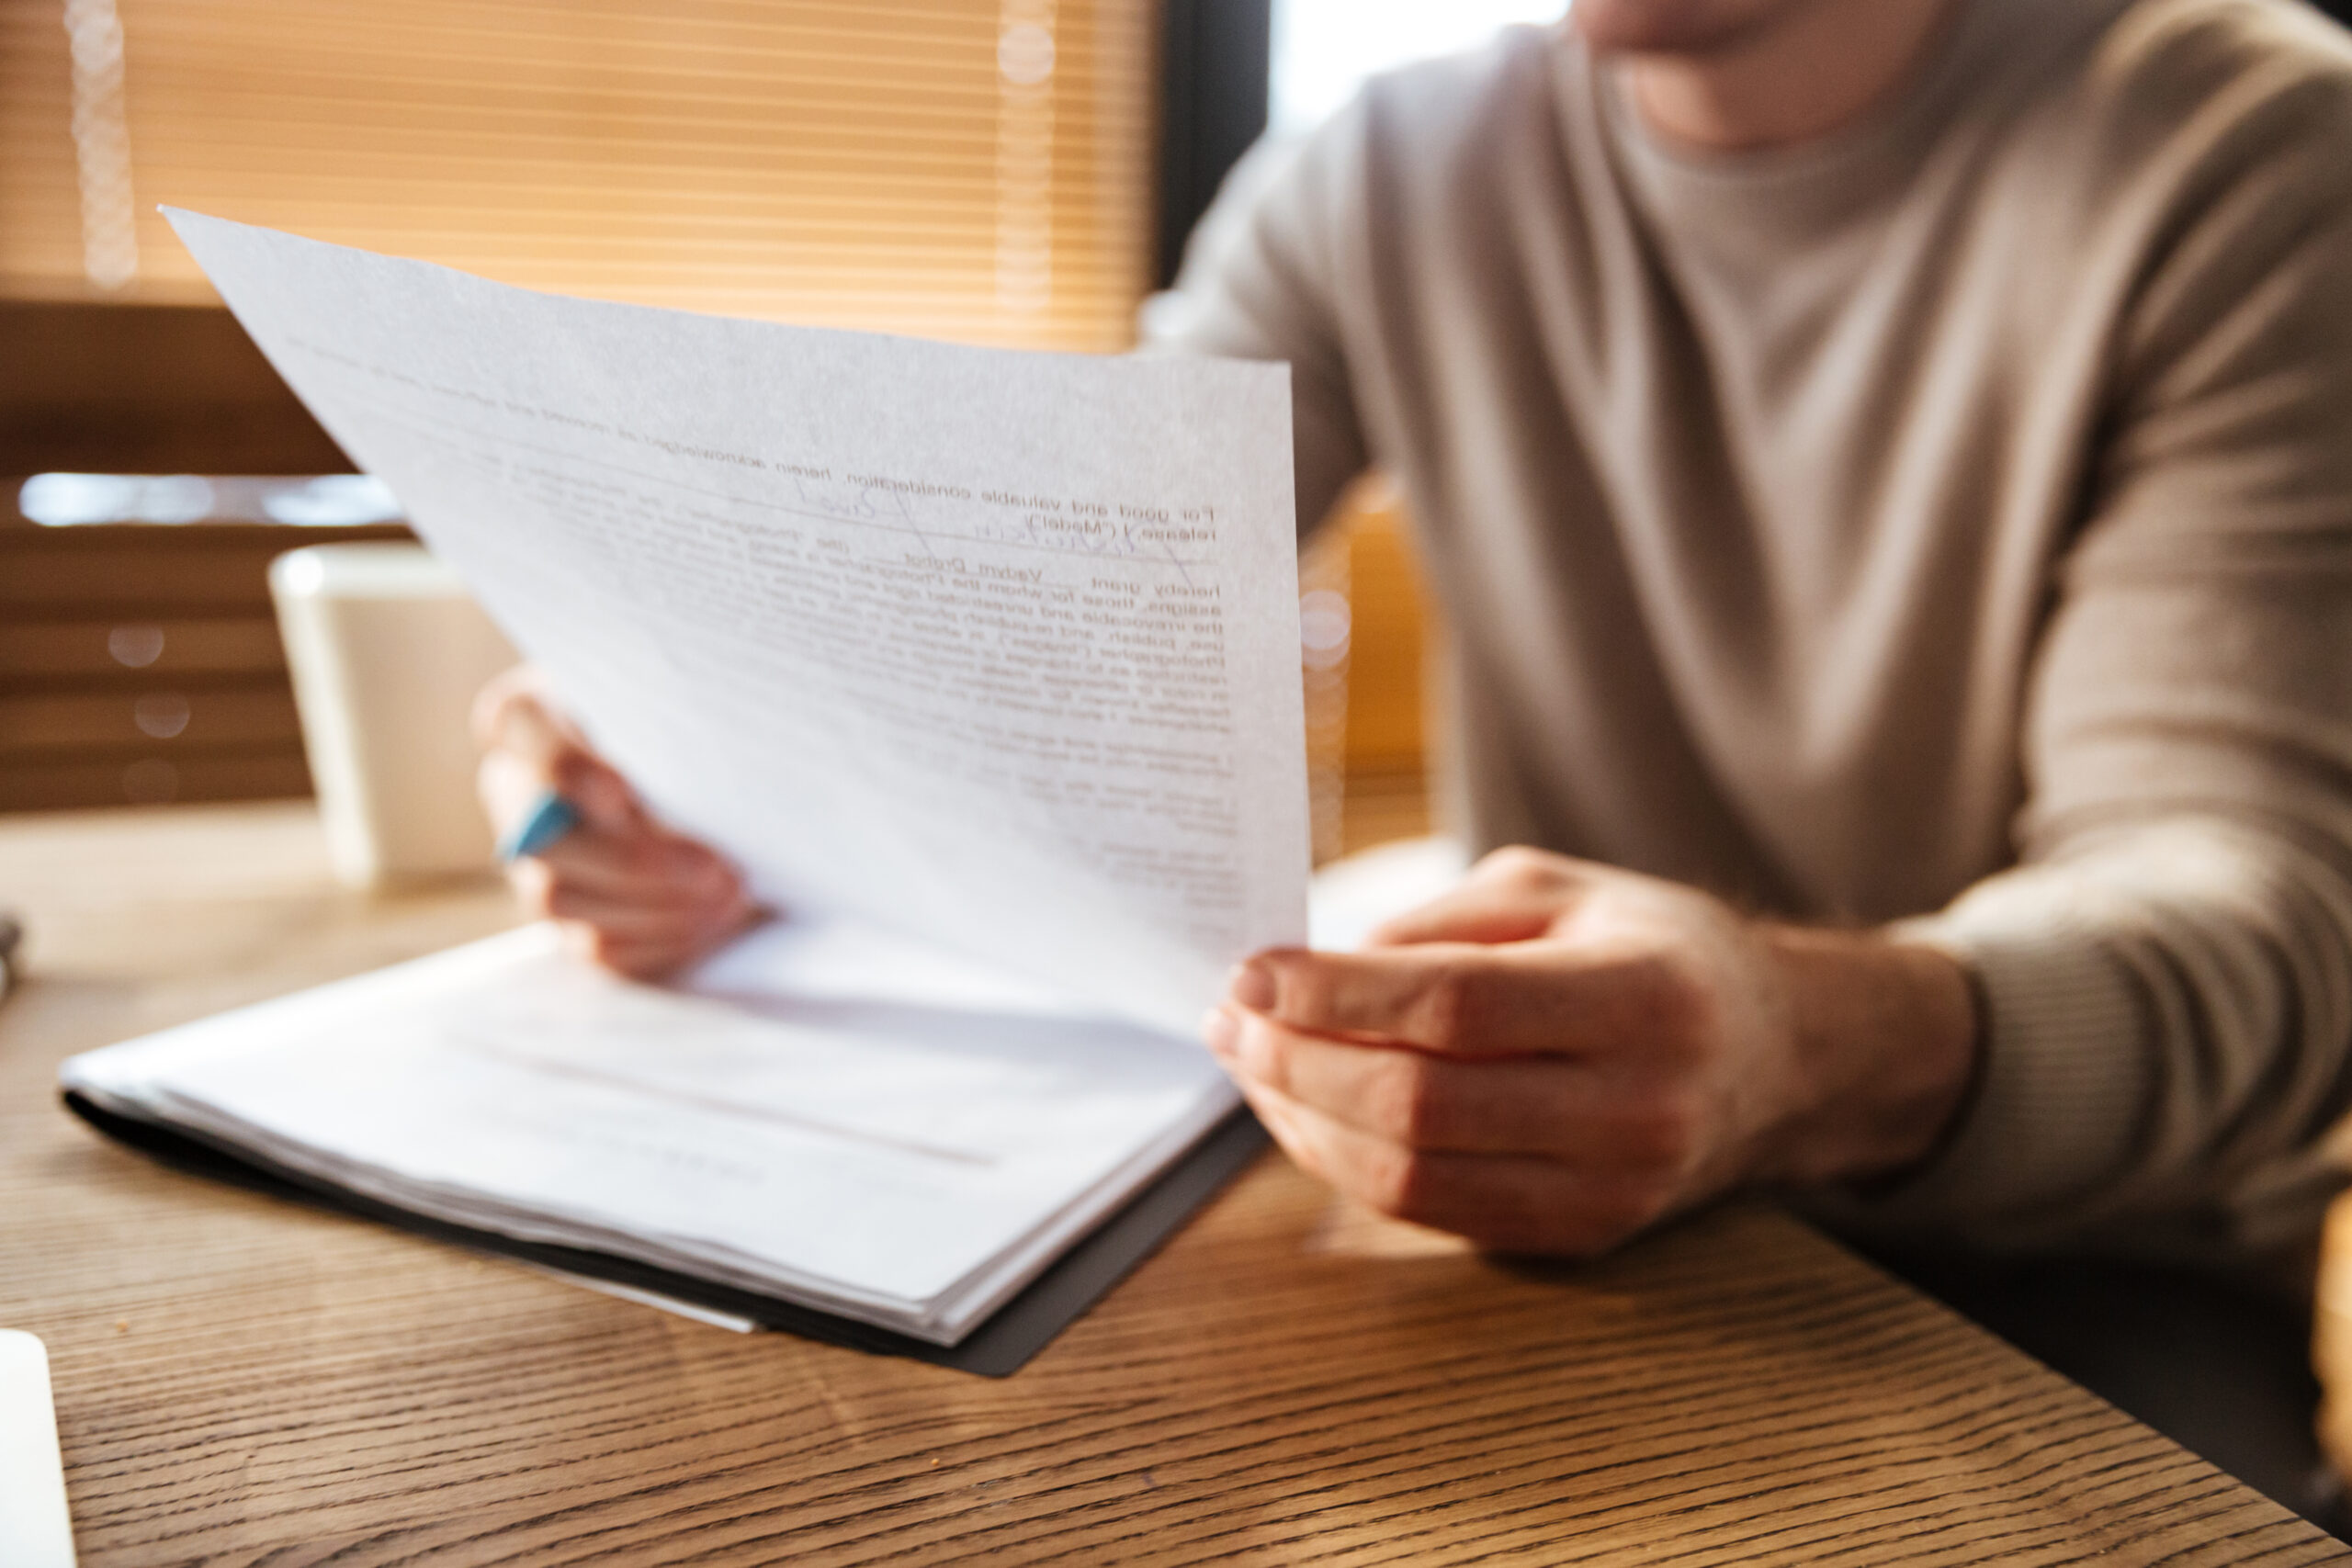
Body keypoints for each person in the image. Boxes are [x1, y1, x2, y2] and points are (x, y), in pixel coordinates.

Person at [478, 0, 2352, 1510]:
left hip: (2081, 1254)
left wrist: (1788, 1041)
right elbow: (1035, 600)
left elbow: (2257, 913)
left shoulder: (2243, 144)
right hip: (1539, 1227)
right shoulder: (1381, 169)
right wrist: (684, 734)